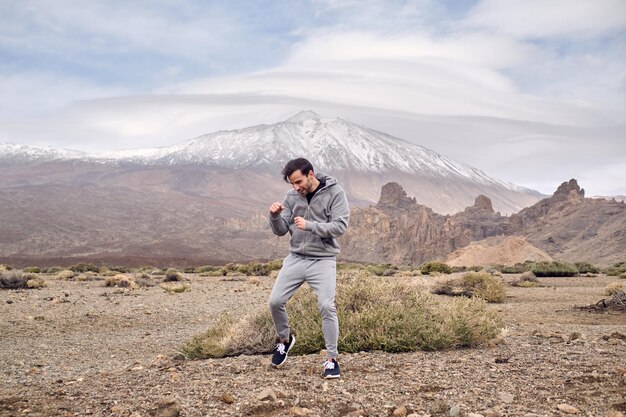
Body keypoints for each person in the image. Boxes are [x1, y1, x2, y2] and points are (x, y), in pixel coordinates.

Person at [268, 157, 350, 379]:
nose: (296, 188)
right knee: (275, 302)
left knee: (326, 306)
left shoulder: (335, 192)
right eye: (292, 184)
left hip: (323, 260)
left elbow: (340, 226)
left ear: (310, 174)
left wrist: (310, 225)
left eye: (298, 182)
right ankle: (285, 341)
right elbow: (281, 229)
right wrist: (274, 216)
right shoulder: (292, 195)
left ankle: (332, 360)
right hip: (296, 258)